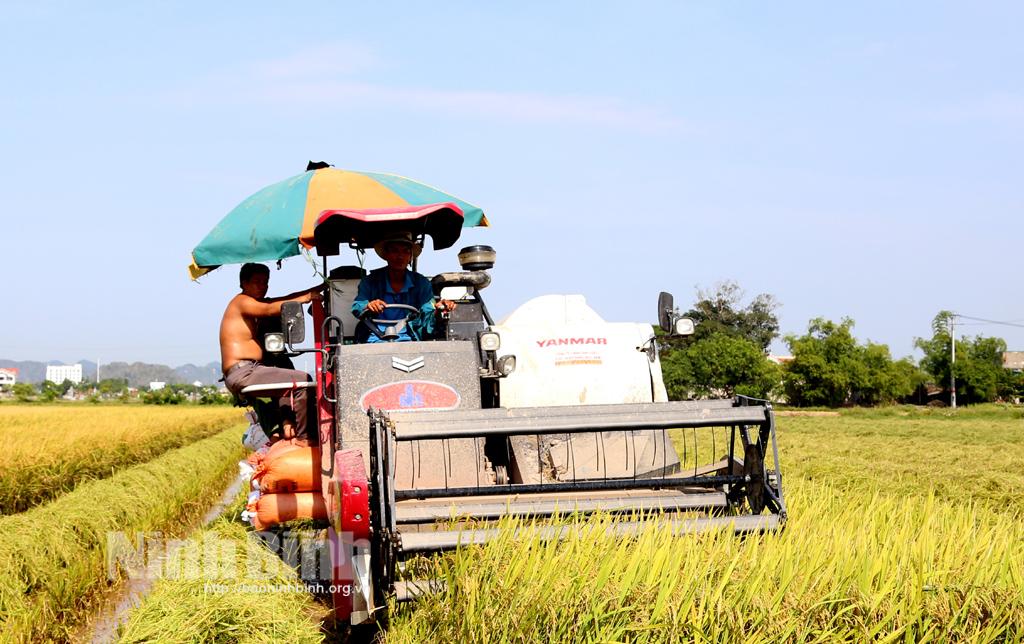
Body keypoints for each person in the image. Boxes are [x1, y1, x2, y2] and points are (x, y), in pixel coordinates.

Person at [220, 263, 322, 444]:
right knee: (304, 381)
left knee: (288, 376)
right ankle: (305, 438)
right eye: (257, 282)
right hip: (244, 371)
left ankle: (288, 424)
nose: (262, 286)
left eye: (265, 282)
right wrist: (306, 298)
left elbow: (285, 298)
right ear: (244, 283)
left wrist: (322, 287)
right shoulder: (241, 301)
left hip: (253, 369)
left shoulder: (254, 302)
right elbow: (270, 309)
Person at [351, 232, 455, 342]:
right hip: (374, 340)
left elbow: (428, 318)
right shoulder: (370, 281)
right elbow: (357, 306)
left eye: (406, 251)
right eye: (395, 250)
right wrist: (369, 305)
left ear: (410, 257)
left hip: (410, 340)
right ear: (386, 254)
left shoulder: (421, 283)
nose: (400, 256)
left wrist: (438, 311)